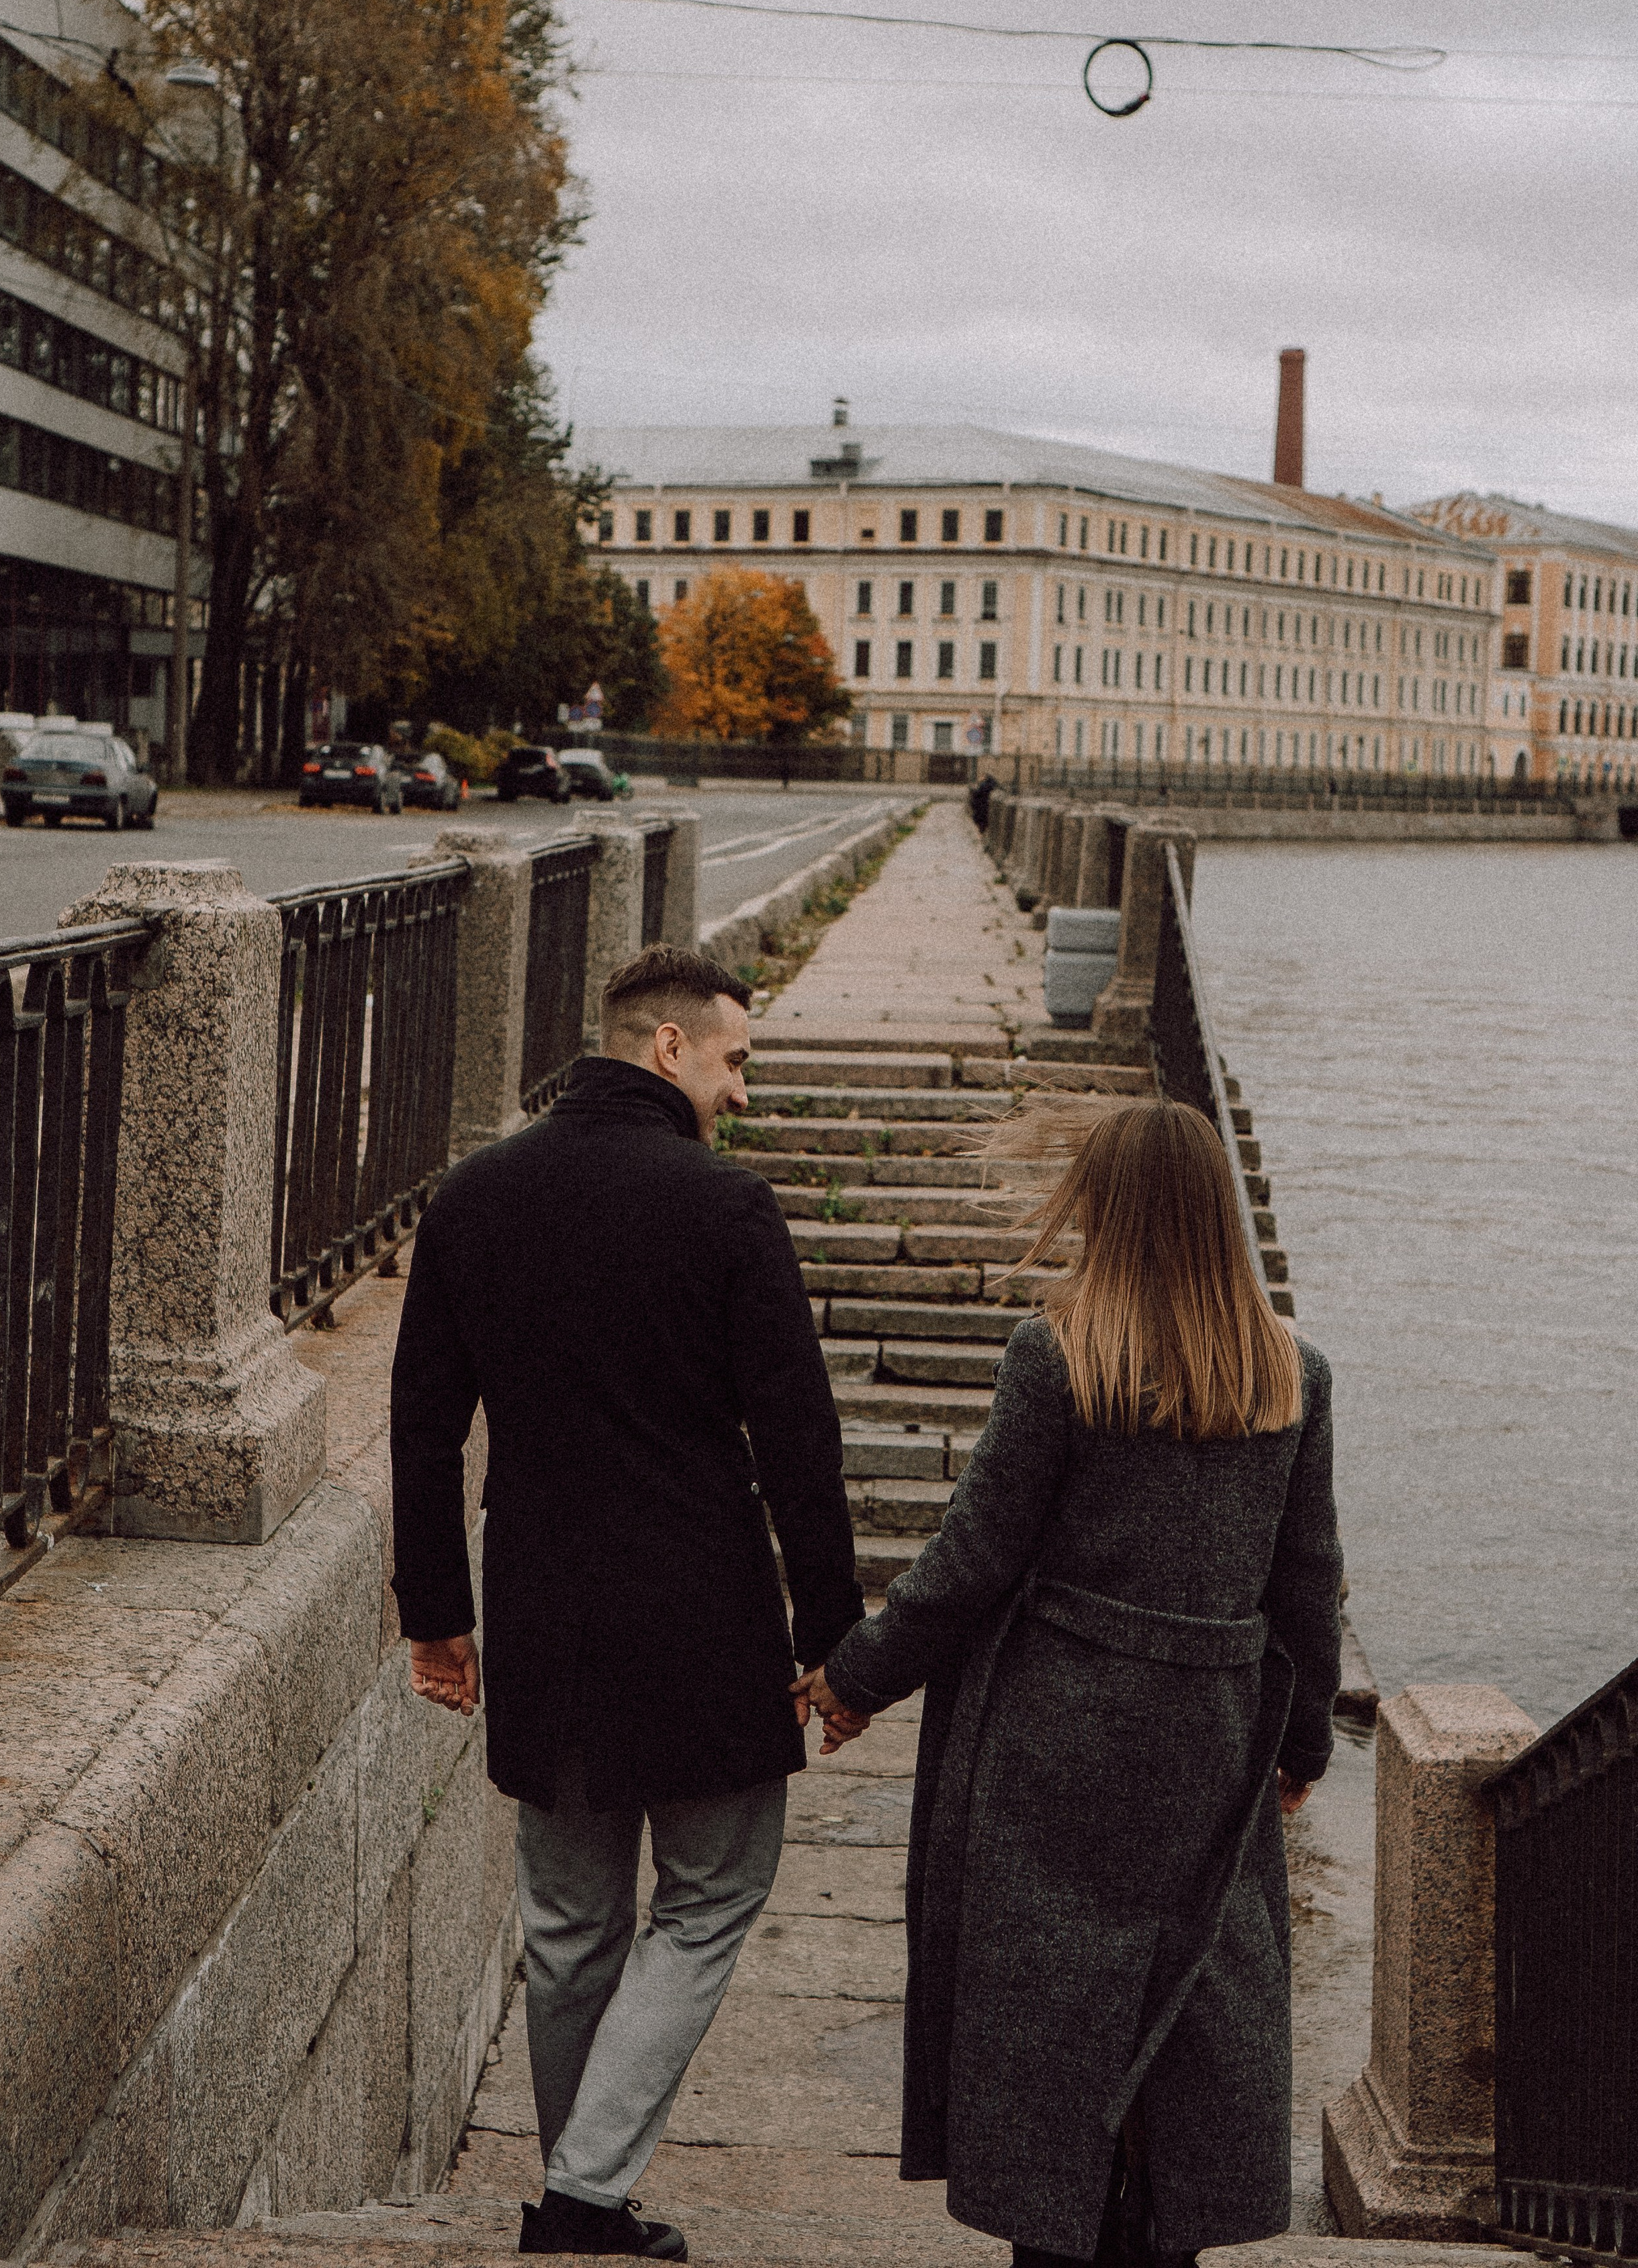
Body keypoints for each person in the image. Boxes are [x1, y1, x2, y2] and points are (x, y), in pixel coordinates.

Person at [794, 1098, 1341, 2268]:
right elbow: (1308, 1586)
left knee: (1052, 2016)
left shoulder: (1060, 1354)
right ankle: (1167, 2238)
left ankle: (1058, 2241)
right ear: (1218, 1214)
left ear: (1108, 1208)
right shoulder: (1292, 1373)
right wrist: (1298, 1752)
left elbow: (976, 1557)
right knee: (1191, 2002)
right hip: (1209, 1728)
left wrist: (855, 1678)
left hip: (1062, 1733)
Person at [389, 943, 866, 2262]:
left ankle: (579, 2195)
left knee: (568, 1922)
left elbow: (422, 1425)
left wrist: (437, 1613)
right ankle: (586, 2202)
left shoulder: (472, 1198)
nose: (743, 1094)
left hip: (540, 1610)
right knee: (709, 1898)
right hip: (700, 1617)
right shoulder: (724, 1211)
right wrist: (832, 1641)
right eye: (734, 1063)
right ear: (667, 1050)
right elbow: (796, 1441)